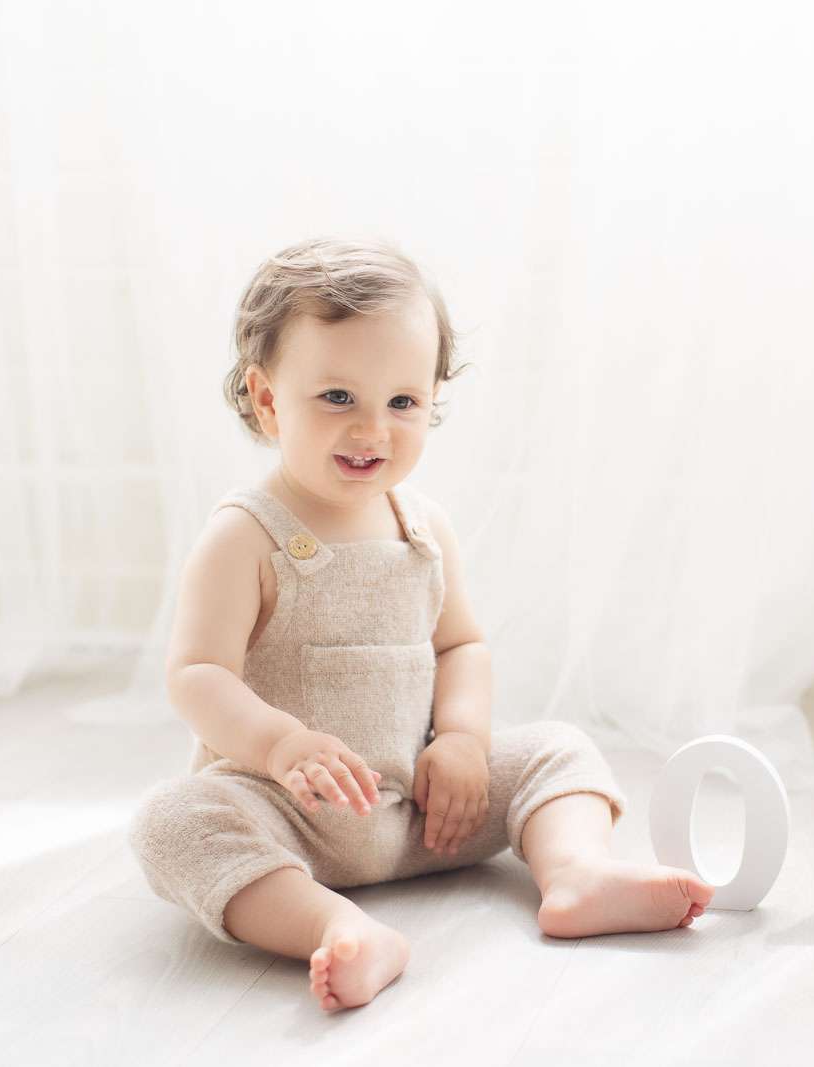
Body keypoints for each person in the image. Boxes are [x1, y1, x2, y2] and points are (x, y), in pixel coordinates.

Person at [127, 238, 714, 1013]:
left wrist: (464, 741)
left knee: (558, 748)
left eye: (402, 402)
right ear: (267, 399)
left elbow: (459, 645)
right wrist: (280, 744)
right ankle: (336, 926)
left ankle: (575, 872)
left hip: (421, 816)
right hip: (286, 813)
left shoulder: (422, 528)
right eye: (338, 398)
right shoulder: (245, 536)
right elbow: (196, 674)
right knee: (171, 822)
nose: (373, 429)